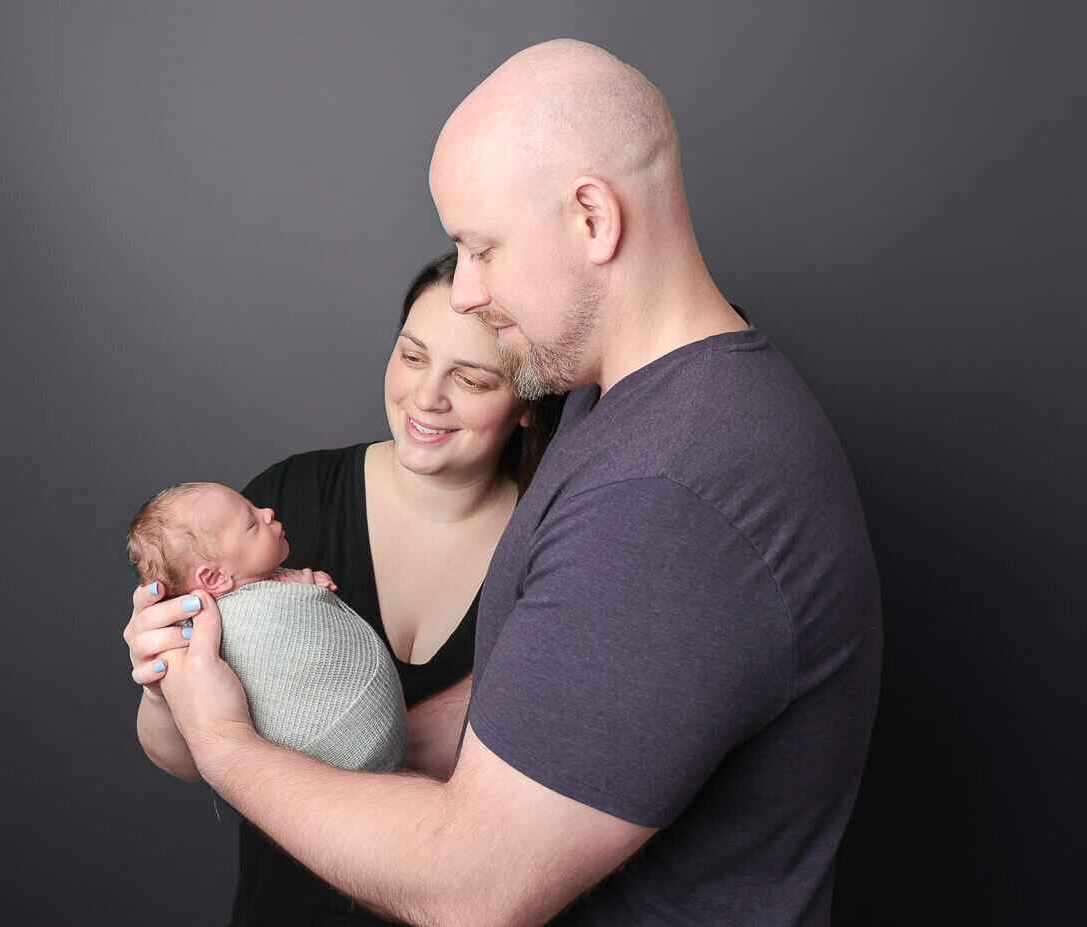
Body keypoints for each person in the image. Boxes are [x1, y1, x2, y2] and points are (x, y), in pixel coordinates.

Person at [130, 39, 882, 926]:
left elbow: (474, 888)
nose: (468, 291)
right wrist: (307, 718)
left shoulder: (670, 493)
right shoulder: (625, 404)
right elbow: (555, 694)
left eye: (480, 248)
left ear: (594, 219)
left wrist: (225, 741)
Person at [124, 251, 559, 924]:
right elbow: (186, 757)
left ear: (528, 401)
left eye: (470, 378)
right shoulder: (278, 507)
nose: (426, 397)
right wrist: (161, 690)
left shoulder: (556, 547)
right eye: (412, 357)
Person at [126, 482, 407, 773]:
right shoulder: (204, 634)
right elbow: (184, 764)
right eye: (251, 522)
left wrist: (305, 591)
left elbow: (299, 625)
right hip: (320, 762)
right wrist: (157, 695)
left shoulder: (260, 578)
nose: (268, 512)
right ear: (213, 578)